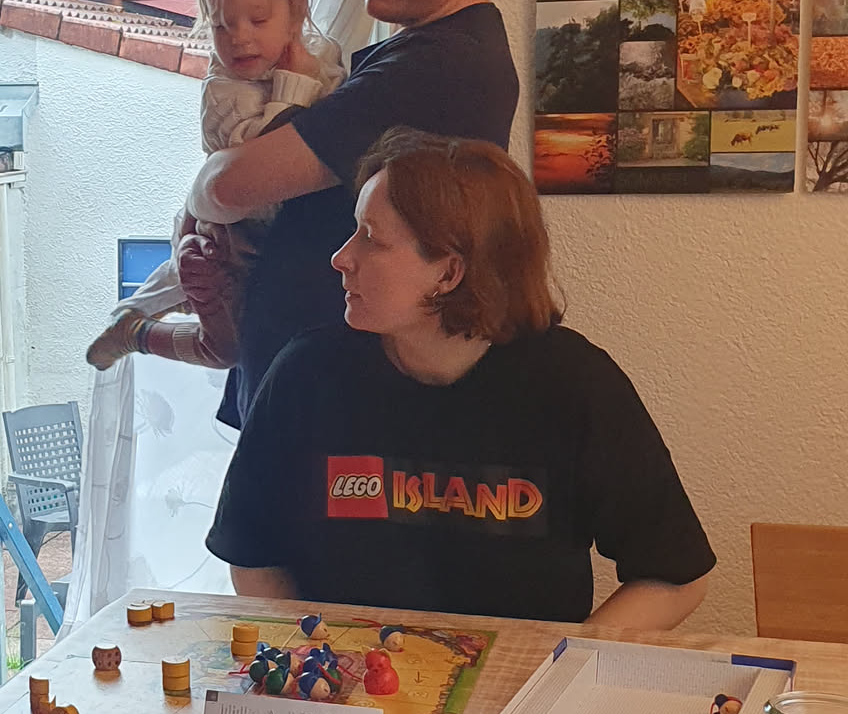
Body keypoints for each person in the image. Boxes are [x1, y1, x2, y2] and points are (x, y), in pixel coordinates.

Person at [206, 131, 714, 630]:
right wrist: (314, 651)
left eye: (372, 239)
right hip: (347, 676)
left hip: (521, 683)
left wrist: (568, 663)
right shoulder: (305, 374)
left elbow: (674, 577)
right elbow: (252, 554)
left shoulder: (575, 384)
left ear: (449, 273)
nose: (341, 257)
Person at [180, 0, 524, 426]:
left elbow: (227, 187)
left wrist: (201, 186)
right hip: (314, 400)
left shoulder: (438, 68)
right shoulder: (416, 55)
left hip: (340, 415)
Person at [84, 0, 343, 371]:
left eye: (257, 20)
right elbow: (258, 165)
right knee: (225, 349)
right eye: (222, 24)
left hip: (277, 236)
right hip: (230, 236)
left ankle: (134, 318)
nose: (239, 37)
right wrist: (294, 85)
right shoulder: (224, 89)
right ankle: (133, 330)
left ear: (297, 13)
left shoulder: (324, 55)